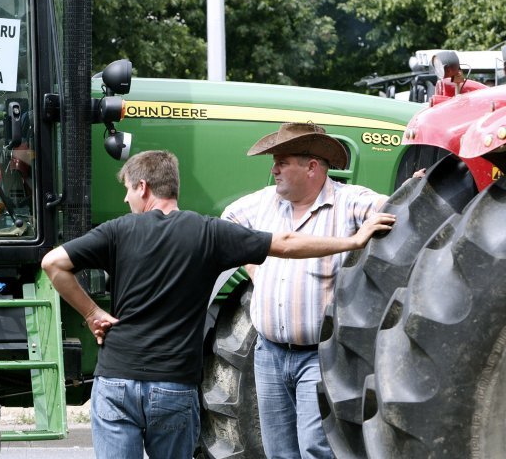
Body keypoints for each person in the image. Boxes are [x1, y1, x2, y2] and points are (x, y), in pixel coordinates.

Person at [40, 150, 395, 459]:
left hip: (116, 380)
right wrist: (352, 241)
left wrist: (91, 313)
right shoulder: (208, 232)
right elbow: (286, 243)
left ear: (143, 187)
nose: (125, 201)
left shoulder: (117, 231)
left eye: (127, 191)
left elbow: (53, 263)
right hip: (173, 385)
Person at [221, 122, 388, 459]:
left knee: (316, 447)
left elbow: (395, 210)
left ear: (312, 166)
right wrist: (256, 271)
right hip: (268, 351)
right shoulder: (262, 204)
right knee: (279, 450)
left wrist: (415, 190)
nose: (274, 169)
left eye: (282, 161)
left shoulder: (348, 202)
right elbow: (227, 227)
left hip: (319, 354)